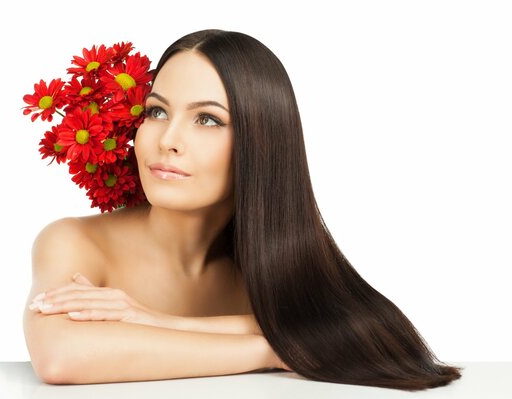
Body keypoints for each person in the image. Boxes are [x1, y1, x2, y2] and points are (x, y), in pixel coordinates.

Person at [23, 29, 462, 390]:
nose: (166, 139)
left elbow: (391, 341)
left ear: (261, 144)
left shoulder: (270, 261)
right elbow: (61, 357)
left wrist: (156, 322)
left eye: (207, 119)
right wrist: (273, 347)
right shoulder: (75, 242)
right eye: (157, 112)